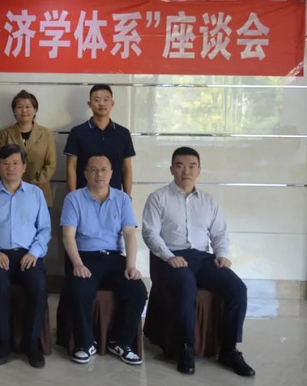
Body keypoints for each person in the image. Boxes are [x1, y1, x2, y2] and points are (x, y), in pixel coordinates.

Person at [142, 147, 255, 377]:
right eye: (180, 166)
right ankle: (184, 347)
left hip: (202, 258)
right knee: (186, 285)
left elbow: (219, 233)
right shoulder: (158, 198)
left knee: (237, 289)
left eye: (192, 166)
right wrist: (169, 257)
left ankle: (229, 349)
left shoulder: (209, 201)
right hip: (170, 257)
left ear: (199, 171)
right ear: (171, 169)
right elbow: (150, 233)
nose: (186, 171)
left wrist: (221, 254)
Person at [60, 153, 147, 365]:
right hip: (85, 257)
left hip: (114, 258)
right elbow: (68, 235)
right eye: (94, 169)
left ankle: (120, 342)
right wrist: (77, 264)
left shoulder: (122, 199)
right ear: (85, 173)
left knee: (137, 291)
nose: (99, 174)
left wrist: (131, 266)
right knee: (79, 290)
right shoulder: (74, 198)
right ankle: (85, 343)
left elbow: (129, 233)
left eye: (103, 170)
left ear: (111, 173)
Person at [0, 144, 51, 369]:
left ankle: (31, 343)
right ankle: (3, 342)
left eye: (15, 163)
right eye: (5, 163)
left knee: (38, 286)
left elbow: (45, 229)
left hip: (28, 255)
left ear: (24, 167)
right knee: (0, 286)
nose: (11, 168)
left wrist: (34, 252)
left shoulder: (36, 194)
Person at [64, 84, 134, 196]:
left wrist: (127, 197)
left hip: (114, 198)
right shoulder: (77, 132)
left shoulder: (123, 133)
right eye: (97, 100)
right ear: (89, 104)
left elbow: (126, 168)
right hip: (84, 197)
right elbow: (71, 166)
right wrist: (73, 197)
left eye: (106, 100)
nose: (101, 103)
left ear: (112, 103)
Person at [0, 90, 56, 205]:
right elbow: (0, 162)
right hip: (11, 192)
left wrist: (33, 185)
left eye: (28, 107)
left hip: (39, 191)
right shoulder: (5, 134)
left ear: (35, 110)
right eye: (19, 107)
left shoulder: (46, 134)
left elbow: (51, 165)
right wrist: (16, 186)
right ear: (14, 111)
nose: (24, 110)